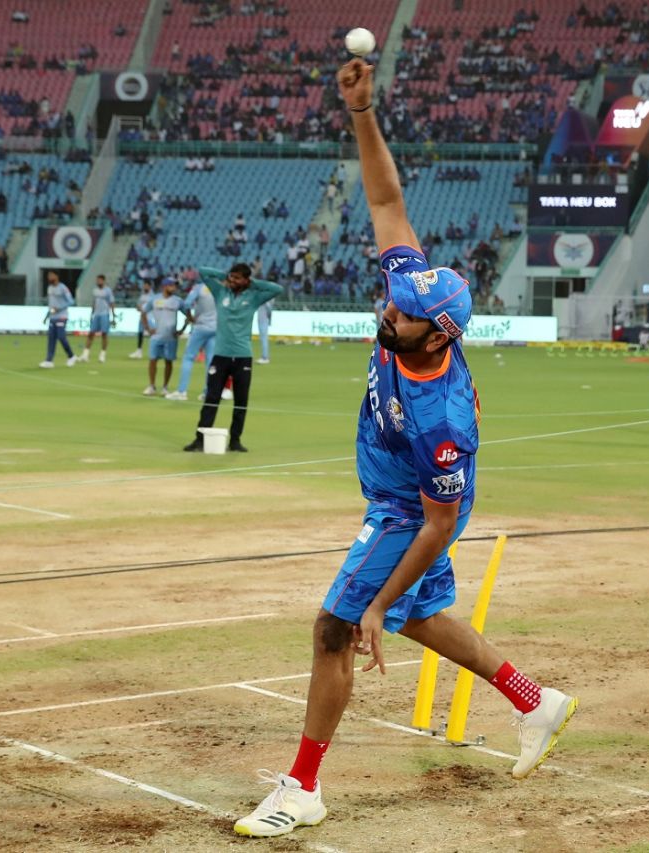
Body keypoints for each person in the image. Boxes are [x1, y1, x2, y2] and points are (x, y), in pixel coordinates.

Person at [232, 59, 577, 839]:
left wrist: (376, 606)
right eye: (395, 299)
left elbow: (437, 522)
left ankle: (302, 787)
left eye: (406, 313)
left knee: (335, 627)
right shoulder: (411, 294)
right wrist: (362, 110)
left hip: (408, 510)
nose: (388, 310)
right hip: (396, 496)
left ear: (440, 332)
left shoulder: (439, 415)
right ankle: (536, 700)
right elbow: (387, 198)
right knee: (428, 618)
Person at [181, 263, 281, 453]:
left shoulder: (253, 297)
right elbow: (203, 271)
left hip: (243, 356)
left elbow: (277, 289)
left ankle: (235, 440)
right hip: (221, 355)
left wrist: (252, 283)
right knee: (211, 398)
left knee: (241, 401)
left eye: (237, 278)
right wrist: (226, 275)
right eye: (231, 277)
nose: (232, 281)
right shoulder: (221, 292)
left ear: (246, 280)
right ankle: (200, 439)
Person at [167, 276, 217, 401]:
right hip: (215, 327)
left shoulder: (198, 288)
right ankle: (208, 392)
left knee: (188, 357)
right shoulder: (219, 289)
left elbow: (187, 303)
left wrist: (190, 318)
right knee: (210, 361)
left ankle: (182, 391)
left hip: (200, 326)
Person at [143, 277, 185, 395]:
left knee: (168, 362)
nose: (174, 288)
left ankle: (165, 387)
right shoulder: (154, 299)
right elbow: (143, 312)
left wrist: (182, 330)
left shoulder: (178, 301)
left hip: (171, 337)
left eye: (175, 285)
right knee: (153, 360)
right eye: (171, 285)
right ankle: (152, 386)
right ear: (164, 286)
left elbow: (188, 315)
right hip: (156, 336)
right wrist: (148, 328)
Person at [41, 271, 77, 368]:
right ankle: (49, 361)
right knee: (51, 338)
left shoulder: (63, 288)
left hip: (62, 316)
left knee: (61, 337)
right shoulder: (49, 288)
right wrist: (47, 316)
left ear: (56, 276)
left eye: (51, 275)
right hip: (52, 317)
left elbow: (71, 301)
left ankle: (71, 356)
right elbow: (51, 304)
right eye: (48, 276)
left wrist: (59, 308)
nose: (49, 277)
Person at [80, 274, 115, 363]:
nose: (98, 282)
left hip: (104, 314)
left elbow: (112, 303)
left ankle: (102, 355)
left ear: (103, 281)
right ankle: (85, 355)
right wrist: (92, 313)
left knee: (104, 334)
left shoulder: (108, 291)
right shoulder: (95, 290)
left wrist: (113, 316)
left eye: (99, 280)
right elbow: (94, 301)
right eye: (97, 280)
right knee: (91, 334)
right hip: (96, 314)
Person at [129, 281, 154, 359]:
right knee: (140, 334)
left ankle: (155, 351)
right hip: (142, 317)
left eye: (146, 286)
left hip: (150, 318)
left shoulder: (153, 296)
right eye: (144, 286)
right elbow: (138, 306)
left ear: (150, 287)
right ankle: (139, 351)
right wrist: (139, 308)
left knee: (153, 334)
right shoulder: (142, 295)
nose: (144, 287)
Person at [256, 298, 273, 364]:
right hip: (262, 319)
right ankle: (264, 356)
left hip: (263, 320)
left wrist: (269, 319)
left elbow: (269, 310)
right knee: (263, 338)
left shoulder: (266, 300)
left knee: (264, 339)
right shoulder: (266, 300)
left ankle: (265, 357)